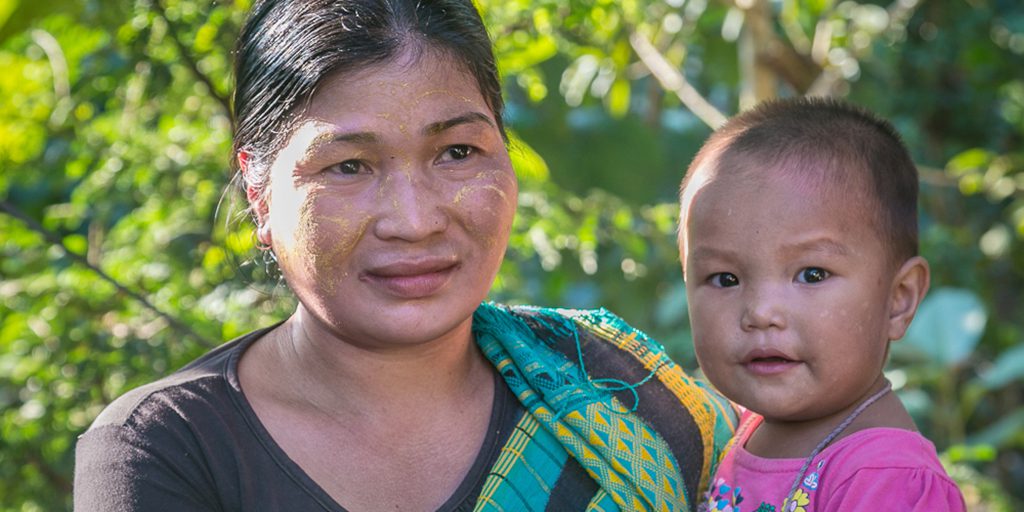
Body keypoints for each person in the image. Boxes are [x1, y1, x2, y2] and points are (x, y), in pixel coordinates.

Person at [73, 0, 735, 510]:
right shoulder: (168, 450)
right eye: (349, 165)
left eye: (456, 153)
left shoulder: (622, 396)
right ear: (259, 189)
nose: (415, 221)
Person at [677, 97, 966, 512]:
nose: (760, 312)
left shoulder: (886, 481)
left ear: (898, 299)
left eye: (812, 274)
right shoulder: (730, 430)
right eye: (726, 279)